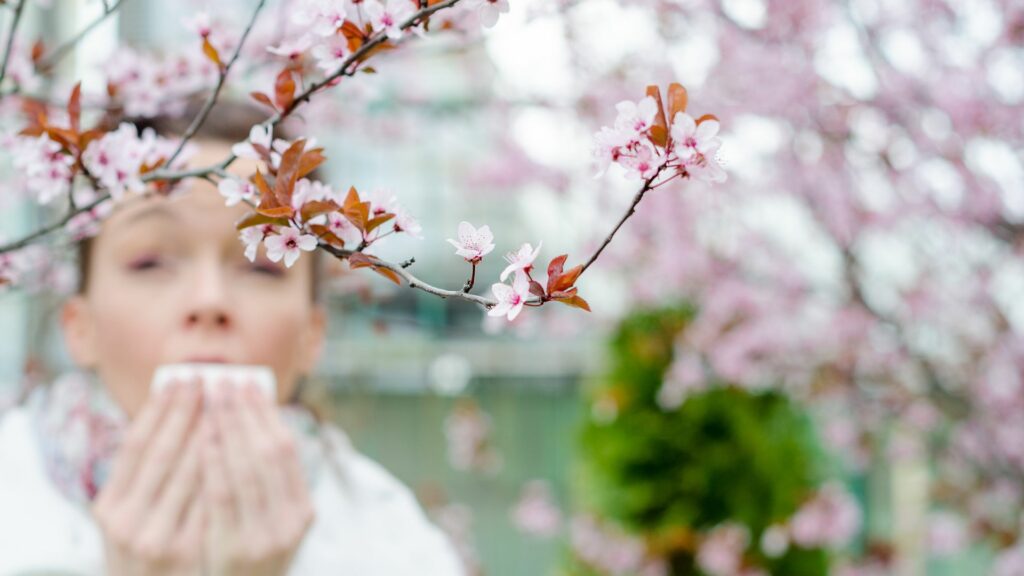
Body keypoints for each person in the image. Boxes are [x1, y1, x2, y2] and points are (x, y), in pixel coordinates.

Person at [0, 108, 465, 575]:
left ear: (312, 334)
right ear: (80, 327)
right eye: (149, 263)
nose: (209, 301)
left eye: (261, 267)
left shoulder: (393, 545)